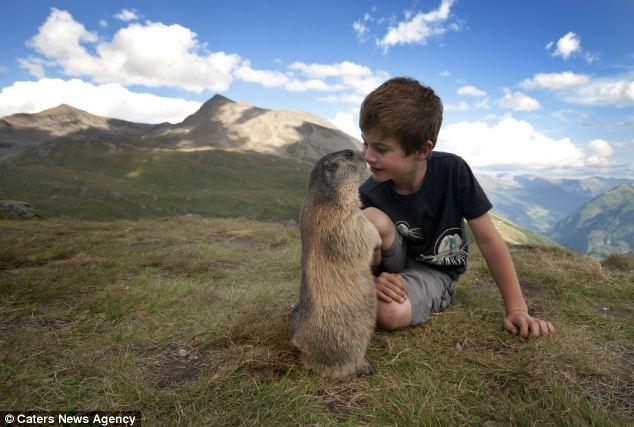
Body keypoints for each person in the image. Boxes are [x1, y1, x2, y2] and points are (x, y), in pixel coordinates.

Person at [359, 77, 555, 338]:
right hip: (388, 266)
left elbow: (488, 240)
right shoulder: (369, 191)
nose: (368, 156)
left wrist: (517, 308)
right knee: (368, 219)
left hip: (435, 271)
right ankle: (364, 288)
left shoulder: (454, 171)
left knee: (388, 313)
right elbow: (347, 249)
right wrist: (369, 281)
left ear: (422, 150)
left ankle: (428, 295)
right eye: (365, 143)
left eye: (381, 149)